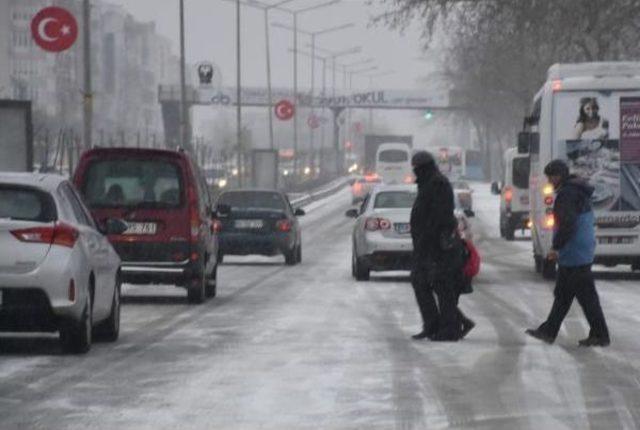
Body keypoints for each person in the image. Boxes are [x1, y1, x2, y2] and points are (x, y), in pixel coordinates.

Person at [526, 159, 610, 347]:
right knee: (563, 295)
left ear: (558, 176)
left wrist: (556, 247)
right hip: (580, 248)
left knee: (586, 298)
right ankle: (549, 330)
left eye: (550, 177)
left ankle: (600, 335)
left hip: (575, 251)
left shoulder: (567, 194)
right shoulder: (575, 190)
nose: (549, 181)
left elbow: (567, 224)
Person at [409, 151, 474, 341]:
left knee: (441, 286)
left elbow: (439, 217)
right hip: (427, 244)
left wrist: (428, 238)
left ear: (424, 167)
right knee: (424, 282)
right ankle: (435, 324)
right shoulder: (428, 182)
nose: (415, 172)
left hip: (437, 246)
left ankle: (449, 327)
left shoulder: (437, 184)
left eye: (417, 168)